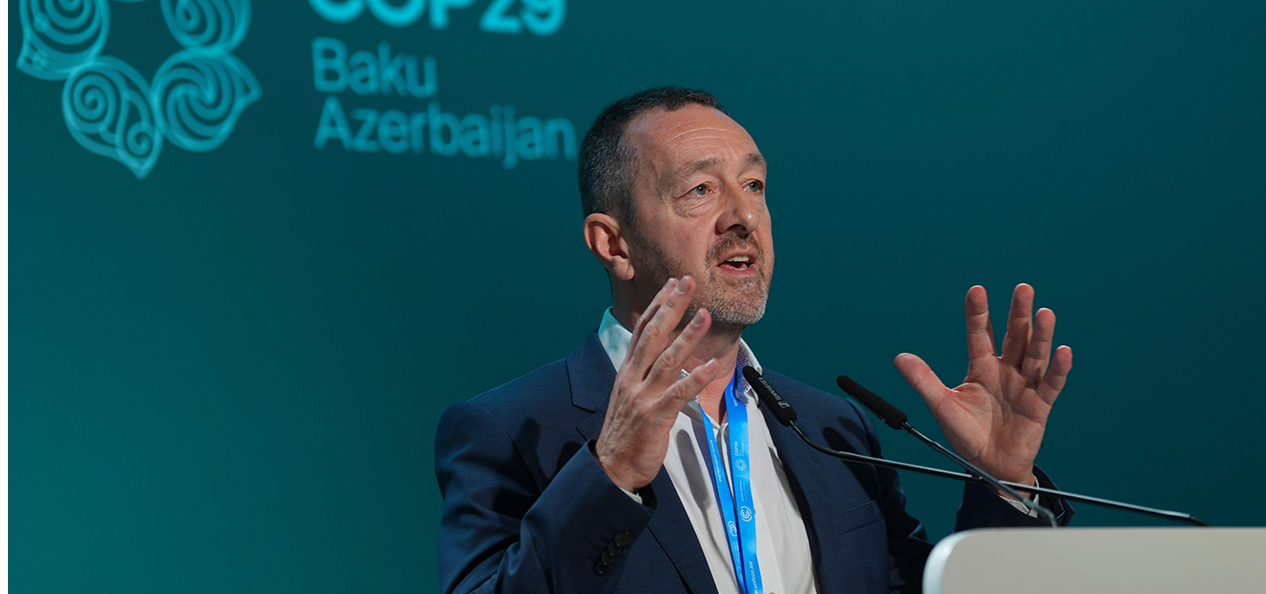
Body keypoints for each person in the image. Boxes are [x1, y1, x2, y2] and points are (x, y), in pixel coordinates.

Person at [434, 87, 1074, 594]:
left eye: (755, 186)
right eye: (701, 190)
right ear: (614, 243)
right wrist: (610, 475)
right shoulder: (512, 430)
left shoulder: (833, 430)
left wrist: (1003, 483)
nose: (743, 217)